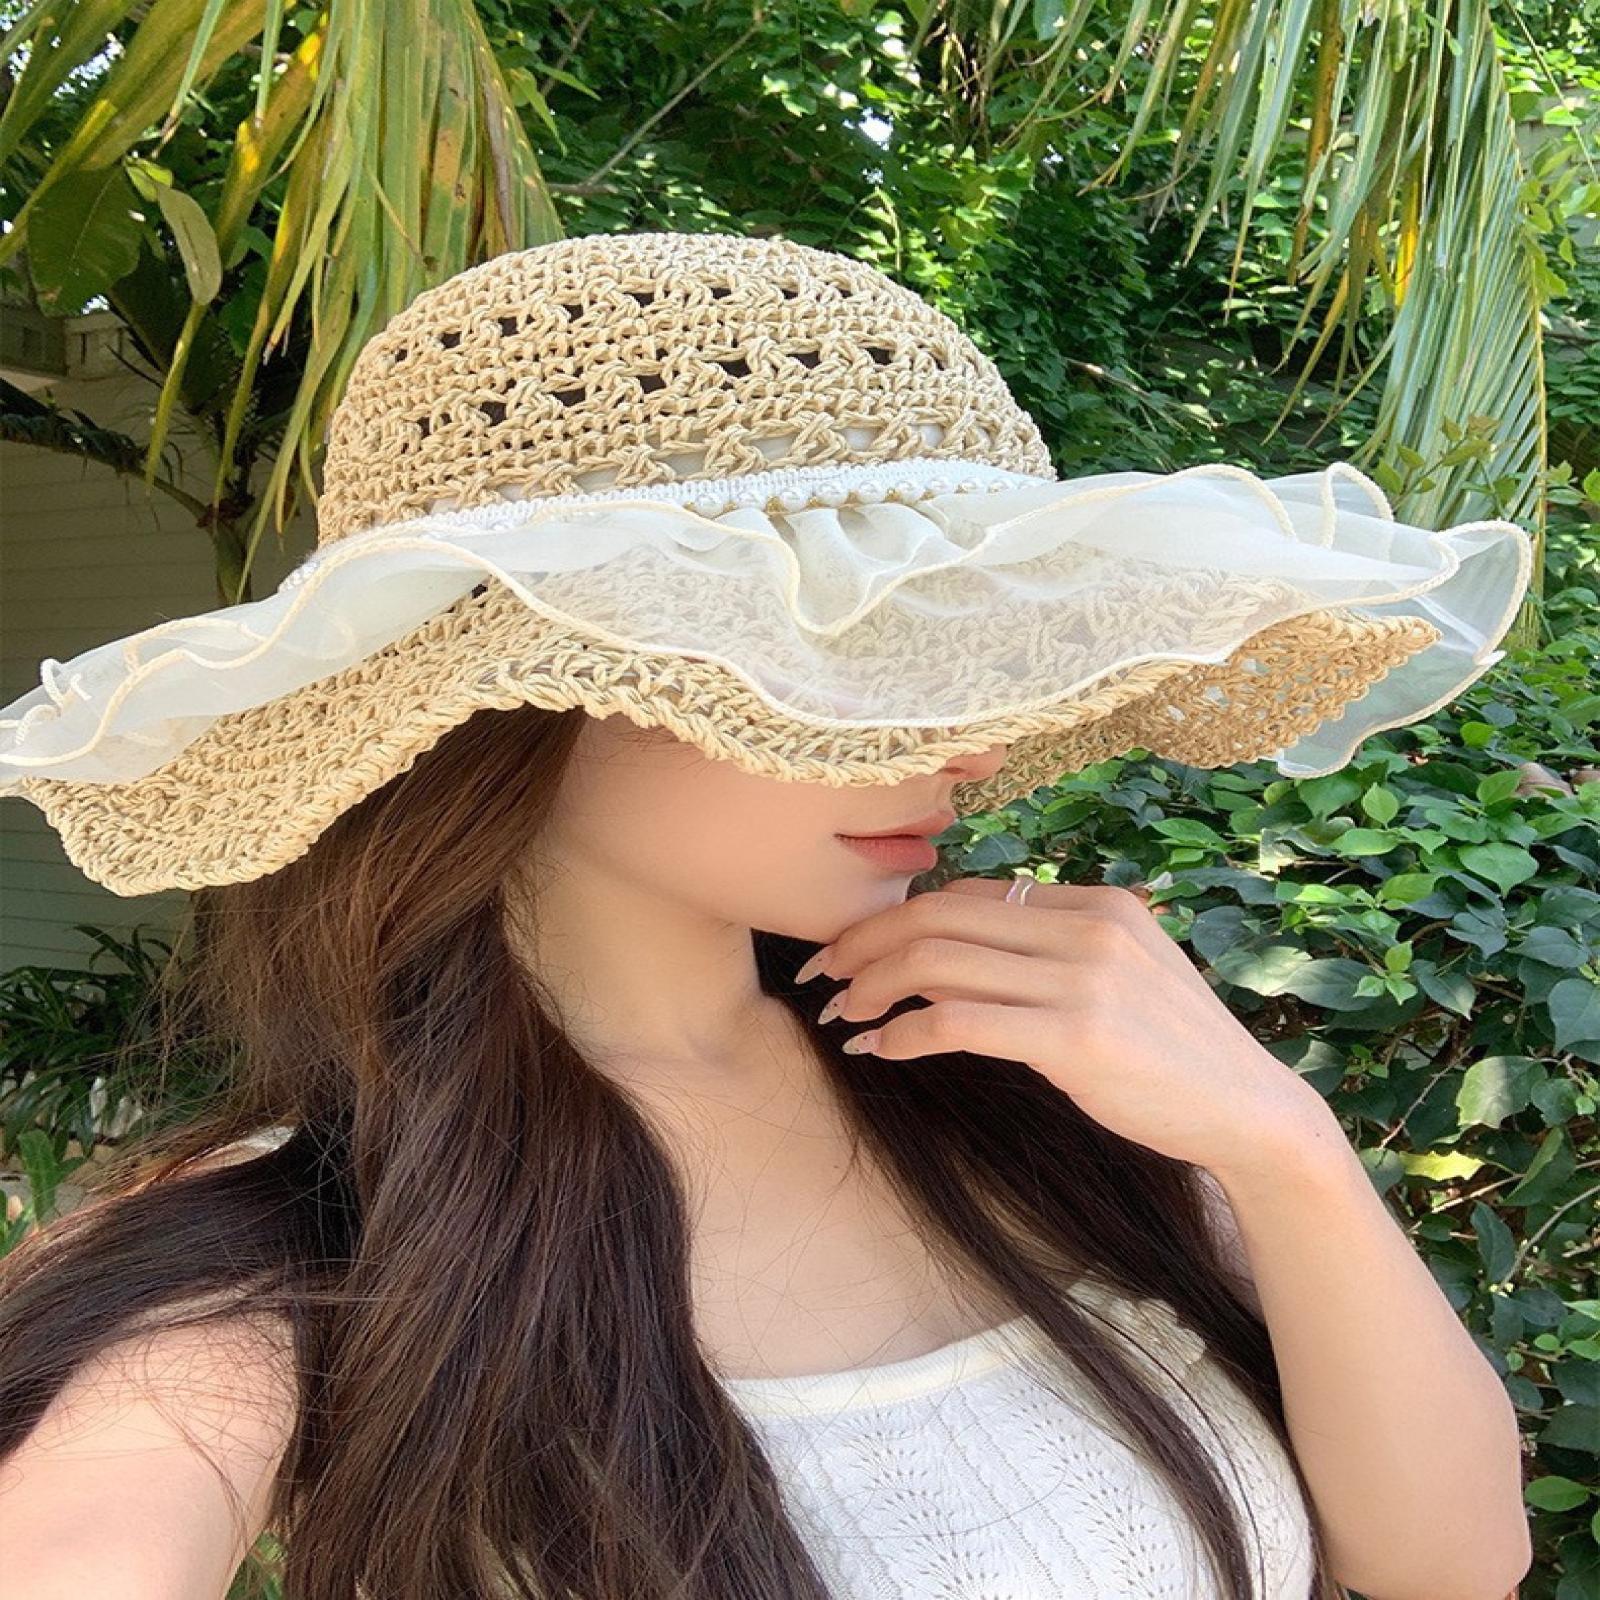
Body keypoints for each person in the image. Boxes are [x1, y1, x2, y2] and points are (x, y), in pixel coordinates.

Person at [0, 231, 1534, 1599]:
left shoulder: (1036, 1069)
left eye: (967, 646)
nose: (968, 741)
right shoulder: (304, 1242)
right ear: (525, 685)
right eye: (856, 642)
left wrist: (1280, 1144)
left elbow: (1450, 1565)